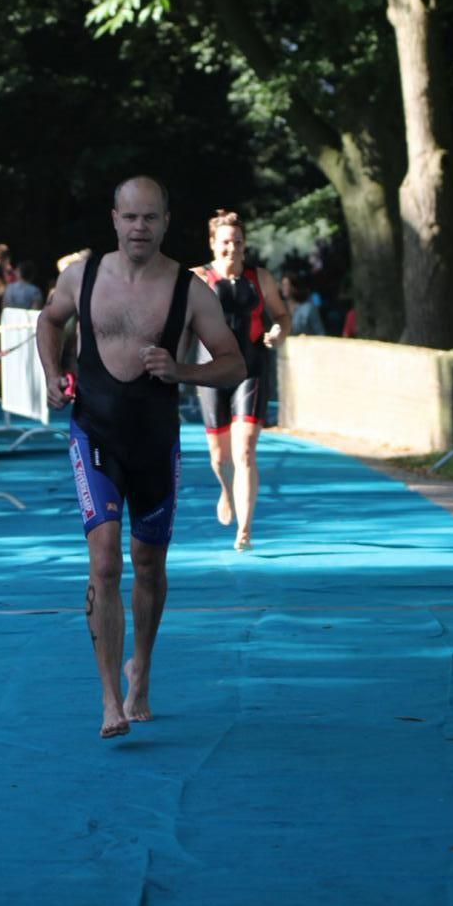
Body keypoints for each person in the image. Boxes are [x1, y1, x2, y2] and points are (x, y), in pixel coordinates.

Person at [36, 176, 246, 740]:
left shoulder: (189, 288)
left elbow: (233, 363)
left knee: (148, 566)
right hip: (94, 435)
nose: (139, 228)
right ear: (114, 219)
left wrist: (183, 371)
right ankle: (109, 701)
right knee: (105, 563)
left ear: (166, 223)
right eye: (130, 218)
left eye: (150, 218)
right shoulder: (81, 276)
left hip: (155, 442)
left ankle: (141, 674)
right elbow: (49, 319)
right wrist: (52, 372)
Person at [192, 210, 290, 552]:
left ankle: (245, 530)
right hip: (211, 372)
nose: (232, 249)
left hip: (250, 368)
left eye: (238, 242)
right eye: (225, 243)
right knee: (220, 458)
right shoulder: (199, 278)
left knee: (245, 451)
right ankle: (225, 489)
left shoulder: (260, 278)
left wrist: (278, 331)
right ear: (212, 244)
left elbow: (281, 315)